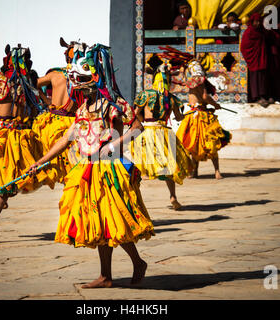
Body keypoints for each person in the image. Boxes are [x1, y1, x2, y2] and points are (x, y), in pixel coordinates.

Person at [29, 43, 154, 288]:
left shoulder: (114, 104)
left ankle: (137, 262)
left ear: (92, 80)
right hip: (87, 169)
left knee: (115, 220)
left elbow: (137, 127)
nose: (80, 91)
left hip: (111, 168)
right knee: (98, 223)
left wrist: (115, 143)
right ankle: (106, 276)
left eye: (82, 85)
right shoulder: (83, 110)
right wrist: (41, 161)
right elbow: (67, 139)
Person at [0, 44, 47, 239]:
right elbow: (35, 109)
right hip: (17, 137)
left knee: (7, 178)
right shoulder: (27, 84)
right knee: (11, 181)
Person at [130, 52, 193, 210]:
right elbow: (179, 118)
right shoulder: (171, 98)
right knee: (169, 168)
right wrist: (182, 113)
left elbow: (135, 112)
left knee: (139, 167)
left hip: (147, 132)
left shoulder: (145, 95)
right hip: (164, 133)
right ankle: (173, 197)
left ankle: (134, 199)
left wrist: (140, 121)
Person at [161, 47, 230, 179]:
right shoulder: (198, 80)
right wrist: (216, 105)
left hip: (194, 115)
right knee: (208, 143)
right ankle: (215, 171)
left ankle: (196, 171)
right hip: (201, 115)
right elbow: (204, 97)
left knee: (195, 143)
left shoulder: (192, 80)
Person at [32, 38, 84, 188]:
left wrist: (46, 101)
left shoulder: (55, 74)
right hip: (70, 122)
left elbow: (32, 84)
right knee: (72, 164)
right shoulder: (82, 77)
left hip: (52, 123)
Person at [240, 13, 272, 107]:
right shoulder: (249, 32)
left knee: (262, 77)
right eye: (256, 21)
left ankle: (263, 95)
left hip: (261, 57)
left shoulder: (261, 31)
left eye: (259, 21)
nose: (258, 23)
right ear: (252, 21)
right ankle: (256, 97)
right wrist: (250, 57)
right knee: (255, 78)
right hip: (253, 58)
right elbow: (244, 47)